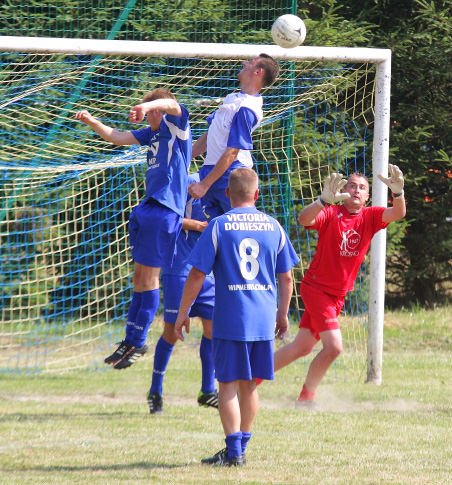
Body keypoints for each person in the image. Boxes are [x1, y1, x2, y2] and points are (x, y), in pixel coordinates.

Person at [175, 167, 299, 467]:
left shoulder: (218, 226)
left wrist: (182, 313)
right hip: (262, 319)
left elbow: (196, 275)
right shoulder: (274, 227)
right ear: (256, 194)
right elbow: (287, 279)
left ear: (228, 194)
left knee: (227, 385)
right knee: (250, 385)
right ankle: (241, 445)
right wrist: (282, 314)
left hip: (231, 317)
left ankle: (234, 452)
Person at [271, 165, 406, 409]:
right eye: (352, 185)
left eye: (362, 188)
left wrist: (398, 194)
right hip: (316, 289)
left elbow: (398, 213)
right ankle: (306, 398)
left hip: (337, 296)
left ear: (367, 197)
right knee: (334, 347)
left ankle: (247, 380)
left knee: (300, 348)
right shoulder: (331, 212)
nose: (356, 190)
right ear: (343, 191)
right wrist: (322, 201)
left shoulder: (371, 216)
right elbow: (304, 219)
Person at [75, 88, 191, 369]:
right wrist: (92, 121)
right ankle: (130, 339)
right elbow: (116, 137)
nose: (146, 115)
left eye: (151, 110)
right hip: (148, 209)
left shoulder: (176, 126)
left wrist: (149, 105)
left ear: (159, 109)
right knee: (139, 278)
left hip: (164, 212)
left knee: (149, 280)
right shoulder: (149, 135)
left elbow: (173, 105)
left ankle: (138, 343)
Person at [146, 172, 217, 414]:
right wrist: (198, 226)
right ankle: (155, 391)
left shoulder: (223, 185)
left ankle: (207, 390)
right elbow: (165, 218)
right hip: (179, 267)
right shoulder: (186, 181)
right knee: (172, 332)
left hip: (207, 271)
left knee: (212, 327)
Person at [188, 54, 279, 220]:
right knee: (217, 231)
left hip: (231, 175)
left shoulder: (247, 108)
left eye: (250, 63)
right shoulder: (233, 99)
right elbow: (210, 136)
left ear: (258, 72)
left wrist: (204, 185)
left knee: (238, 227)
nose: (244, 63)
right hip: (212, 171)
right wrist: (184, 158)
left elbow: (232, 151)